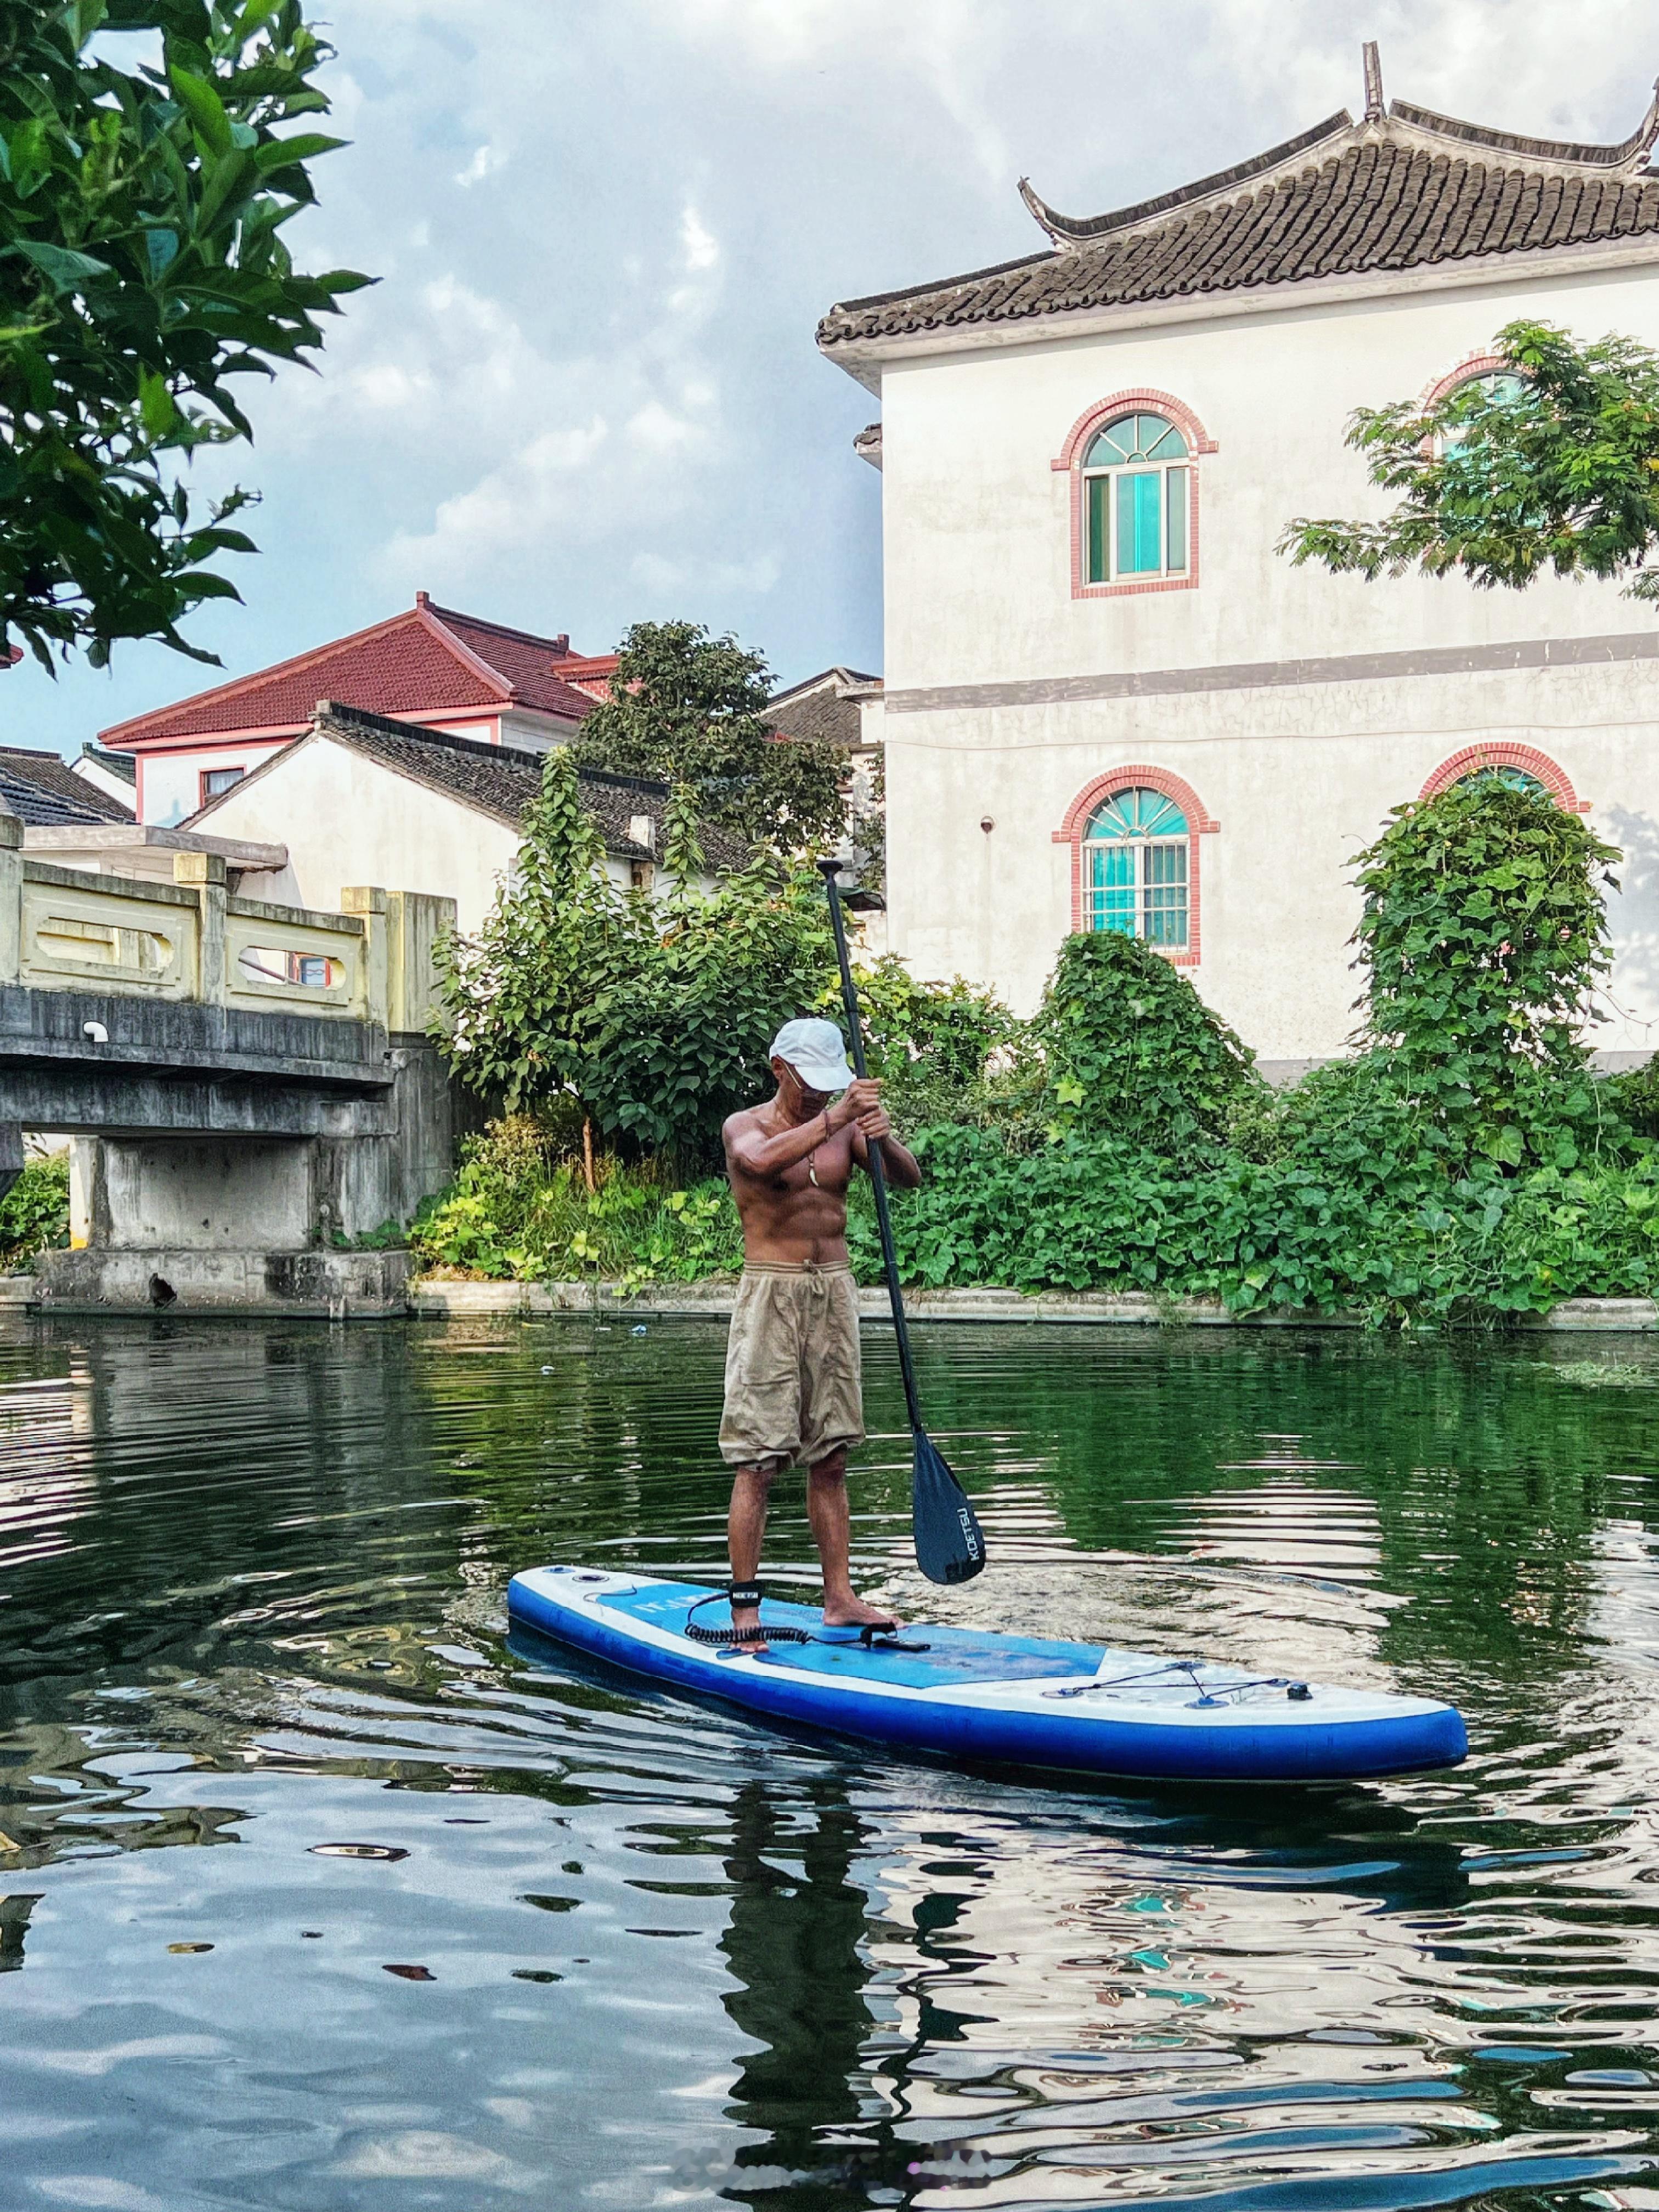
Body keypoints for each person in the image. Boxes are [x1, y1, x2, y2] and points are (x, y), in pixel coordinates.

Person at [719, 1015, 922, 1647]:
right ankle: (746, 1609)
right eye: (809, 1083)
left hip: (833, 1290)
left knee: (832, 1455)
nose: (818, 1095)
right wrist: (835, 1119)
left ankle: (840, 1599)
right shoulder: (745, 1127)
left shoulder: (847, 1130)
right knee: (759, 1459)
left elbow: (908, 1179)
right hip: (770, 1294)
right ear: (780, 1068)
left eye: (827, 1087)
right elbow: (757, 1163)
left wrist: (884, 1139)